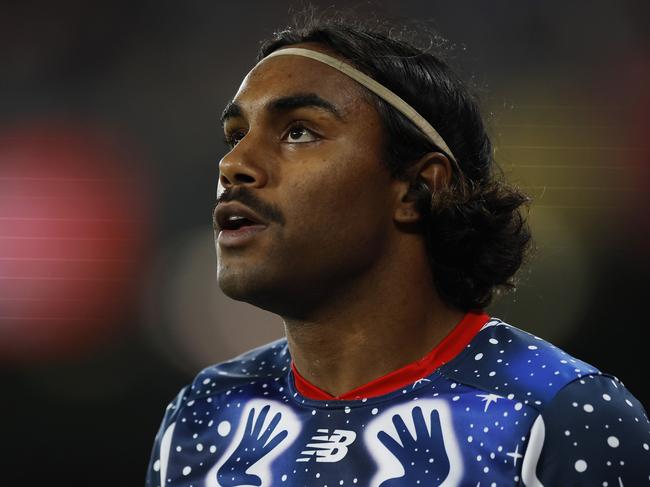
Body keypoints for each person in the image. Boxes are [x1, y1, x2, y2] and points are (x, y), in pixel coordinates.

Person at [145, 16, 650, 487]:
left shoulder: (560, 412)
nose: (233, 163)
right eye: (235, 136)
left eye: (298, 131)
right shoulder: (203, 412)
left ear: (418, 188)